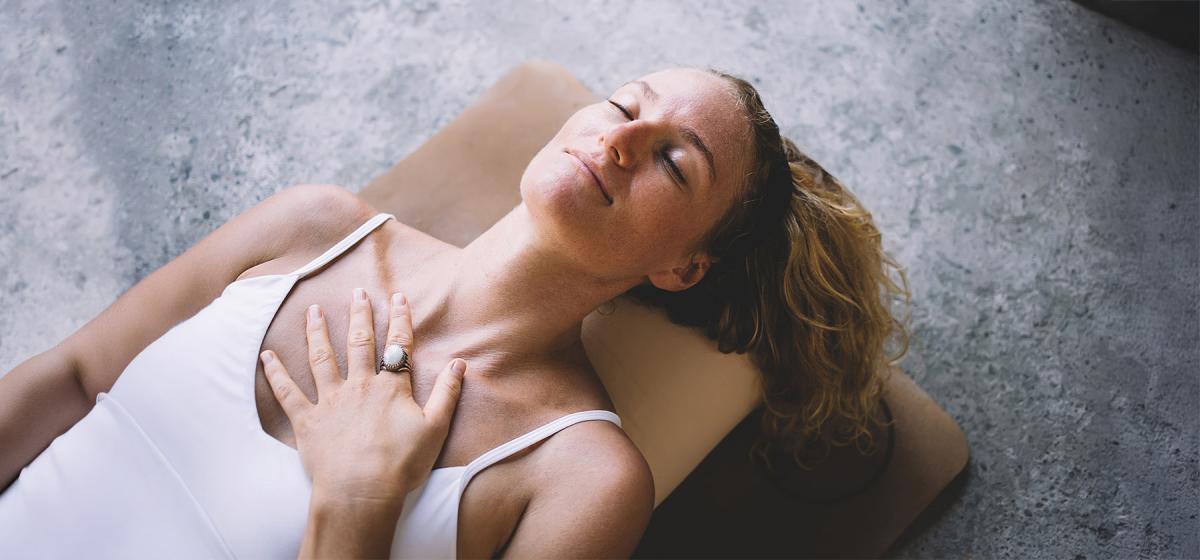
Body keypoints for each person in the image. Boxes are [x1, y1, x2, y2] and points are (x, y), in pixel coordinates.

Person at [0, 67, 909, 558]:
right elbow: (74, 378)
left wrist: (356, 509)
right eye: (628, 103)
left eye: (676, 163)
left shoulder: (583, 482)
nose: (622, 138)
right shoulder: (312, 225)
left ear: (681, 267)